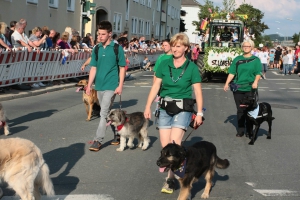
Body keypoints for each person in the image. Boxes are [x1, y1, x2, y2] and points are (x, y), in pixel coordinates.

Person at [144, 32, 203, 194]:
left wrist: (199, 113)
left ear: (185, 48)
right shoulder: (164, 63)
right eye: (173, 45)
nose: (175, 49)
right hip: (164, 107)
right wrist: (148, 105)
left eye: (178, 46)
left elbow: (197, 92)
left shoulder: (191, 67)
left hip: (183, 109)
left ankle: (171, 180)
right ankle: (176, 171)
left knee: (175, 143)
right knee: (166, 147)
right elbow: (156, 86)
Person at [87, 20, 126, 152]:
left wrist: (120, 85)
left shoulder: (116, 48)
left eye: (103, 34)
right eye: (98, 34)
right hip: (99, 86)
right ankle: (117, 134)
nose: (100, 37)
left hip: (111, 85)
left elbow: (122, 68)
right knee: (108, 113)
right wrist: (89, 85)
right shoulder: (96, 48)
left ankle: (98, 140)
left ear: (110, 34)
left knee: (103, 113)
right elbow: (93, 68)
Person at [223, 40, 262, 137]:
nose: (246, 47)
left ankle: (250, 129)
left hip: (250, 87)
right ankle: (241, 129)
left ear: (251, 47)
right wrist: (227, 83)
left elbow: (258, 73)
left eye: (248, 46)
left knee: (249, 109)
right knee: (240, 109)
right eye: (244, 46)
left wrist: (256, 82)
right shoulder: (237, 59)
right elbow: (232, 72)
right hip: (238, 88)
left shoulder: (256, 60)